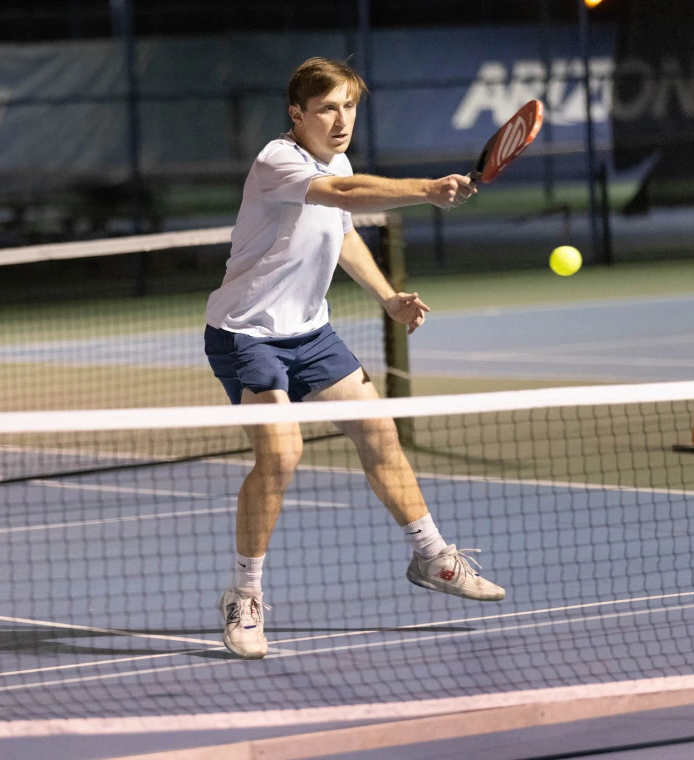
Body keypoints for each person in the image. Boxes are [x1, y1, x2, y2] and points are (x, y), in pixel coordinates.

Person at [204, 57, 505, 660]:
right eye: (327, 109)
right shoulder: (277, 161)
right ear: (298, 114)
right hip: (248, 333)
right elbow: (342, 192)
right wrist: (426, 189)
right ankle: (245, 594)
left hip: (311, 333)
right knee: (282, 455)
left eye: (349, 107)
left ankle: (432, 556)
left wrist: (388, 297)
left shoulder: (335, 159)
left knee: (378, 432)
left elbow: (340, 231)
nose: (342, 121)